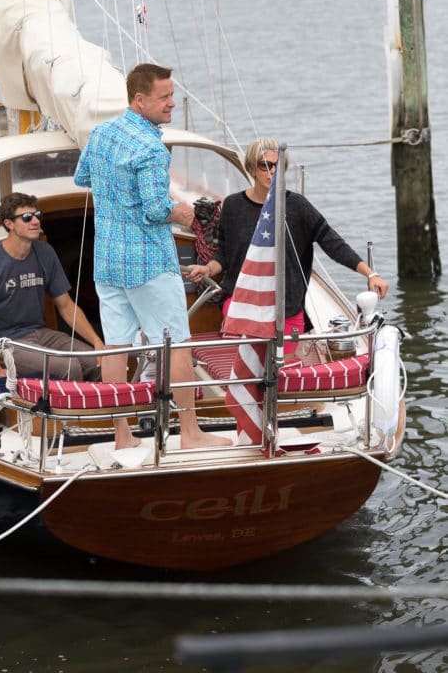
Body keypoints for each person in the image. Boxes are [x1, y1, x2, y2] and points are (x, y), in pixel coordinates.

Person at [75, 62, 231, 451]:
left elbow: (83, 178)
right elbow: (157, 209)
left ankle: (123, 437)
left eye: (172, 95)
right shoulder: (151, 148)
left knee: (116, 346)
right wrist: (193, 214)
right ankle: (191, 435)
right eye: (164, 97)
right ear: (139, 99)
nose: (172, 103)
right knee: (177, 343)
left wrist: (122, 194)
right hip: (147, 262)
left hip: (108, 260)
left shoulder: (101, 134)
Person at [186, 138, 389, 351]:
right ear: (252, 168)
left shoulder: (297, 206)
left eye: (278, 166)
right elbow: (224, 255)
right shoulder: (232, 206)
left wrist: (370, 274)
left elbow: (332, 243)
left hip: (287, 308)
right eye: (265, 165)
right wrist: (207, 268)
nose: (272, 171)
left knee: (283, 374)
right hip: (243, 305)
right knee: (244, 374)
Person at [0, 193, 102, 381]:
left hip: (40, 333)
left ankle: (97, 409)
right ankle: (72, 411)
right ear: (9, 224)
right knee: (70, 367)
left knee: (97, 362)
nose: (35, 221)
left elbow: (66, 305)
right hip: (6, 343)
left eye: (37, 215)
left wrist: (97, 343)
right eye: (27, 218)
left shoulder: (45, 252)